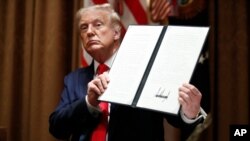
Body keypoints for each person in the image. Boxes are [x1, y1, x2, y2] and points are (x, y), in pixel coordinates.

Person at [49, 3, 206, 141]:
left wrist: (189, 113)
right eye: (84, 27)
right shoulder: (73, 79)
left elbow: (175, 116)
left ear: (117, 33)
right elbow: (57, 127)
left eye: (97, 25)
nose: (89, 32)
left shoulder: (147, 70)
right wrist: (89, 102)